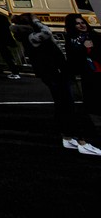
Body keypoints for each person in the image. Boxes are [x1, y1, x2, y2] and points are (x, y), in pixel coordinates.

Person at [14, 13, 99, 154]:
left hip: (51, 73)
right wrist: (36, 21)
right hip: (55, 73)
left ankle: (68, 137)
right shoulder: (32, 37)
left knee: (63, 105)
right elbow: (47, 32)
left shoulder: (27, 37)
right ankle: (82, 141)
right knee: (71, 106)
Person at [63, 13, 101, 117]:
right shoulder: (71, 39)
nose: (81, 25)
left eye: (82, 22)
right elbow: (72, 57)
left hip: (97, 67)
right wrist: (83, 48)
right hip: (87, 70)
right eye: (77, 24)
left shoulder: (95, 36)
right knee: (92, 93)